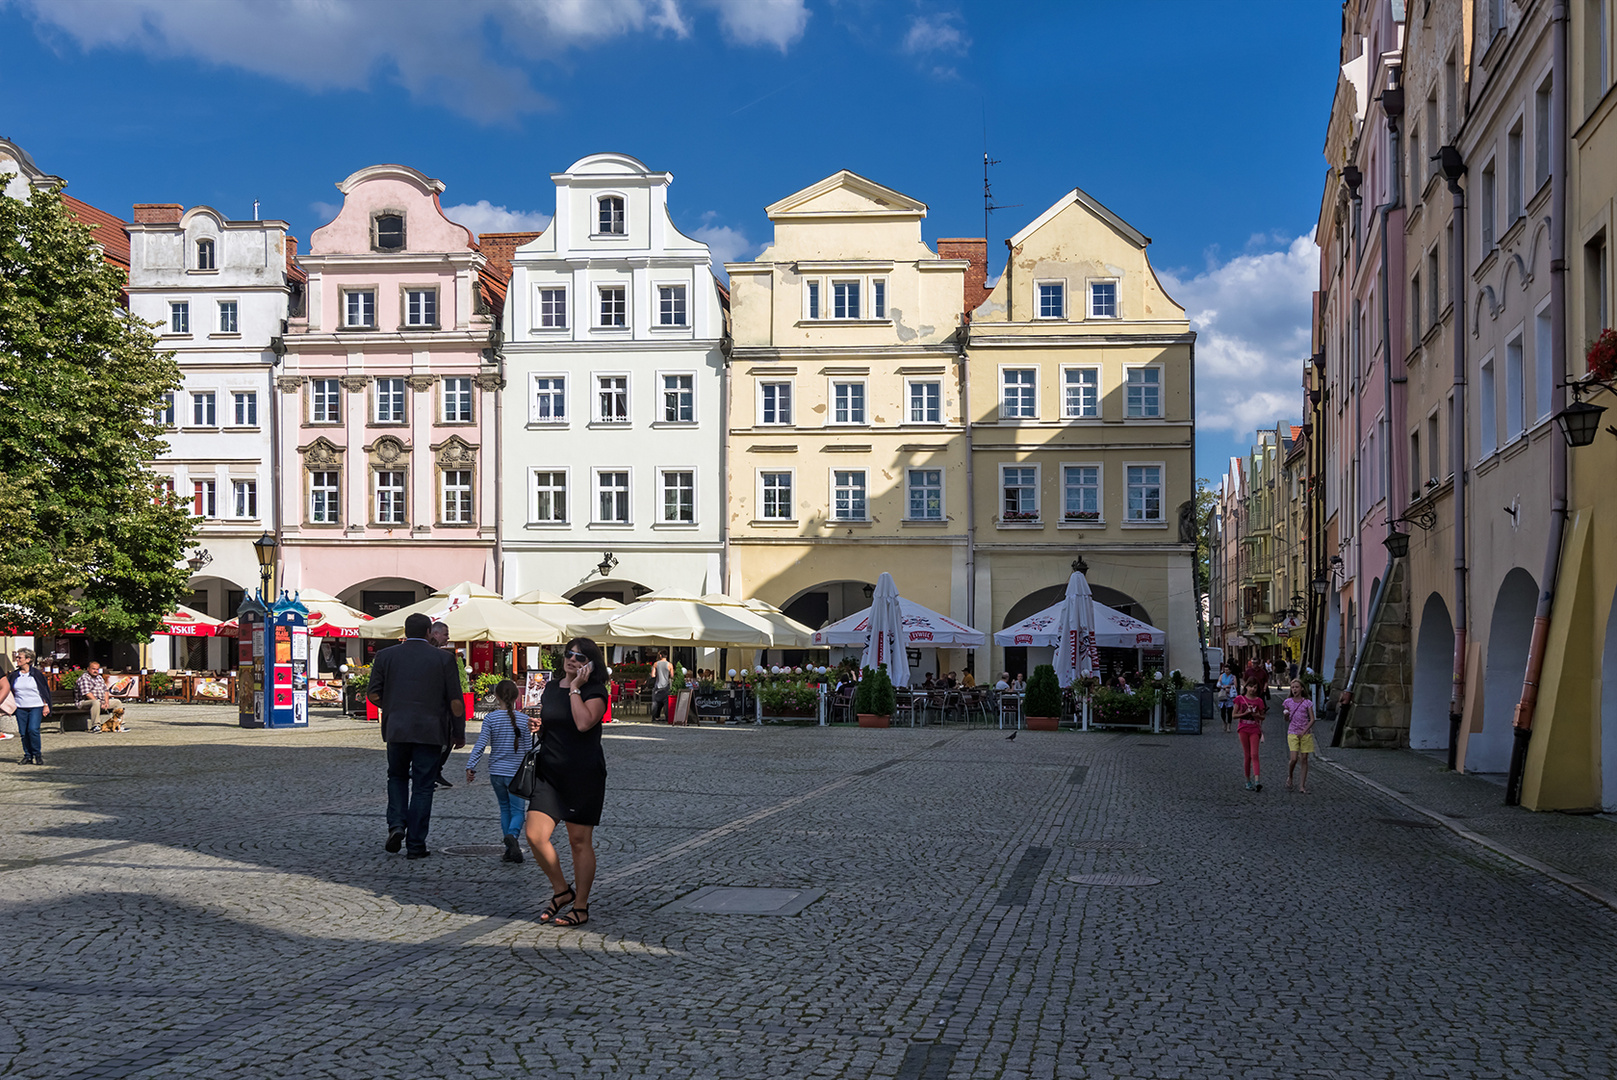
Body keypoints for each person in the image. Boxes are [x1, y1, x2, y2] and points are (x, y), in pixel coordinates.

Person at [524, 637, 609, 929]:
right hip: (550, 772)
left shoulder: (595, 690)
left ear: (590, 665)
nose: (572, 660)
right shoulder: (549, 688)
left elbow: (584, 723)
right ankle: (562, 891)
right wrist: (541, 726)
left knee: (579, 842)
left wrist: (575, 688)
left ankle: (581, 906)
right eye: (569, 654)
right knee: (535, 835)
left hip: (582, 775)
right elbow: (556, 722)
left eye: (580, 658)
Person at [369, 613, 464, 859]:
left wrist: (392, 708)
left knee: (397, 777)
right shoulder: (443, 659)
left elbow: (373, 694)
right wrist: (458, 731)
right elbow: (455, 700)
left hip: (397, 730)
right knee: (423, 787)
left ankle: (396, 824)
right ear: (429, 632)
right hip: (430, 731)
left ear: (405, 630)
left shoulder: (385, 656)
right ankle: (416, 844)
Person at [465, 679, 533, 863]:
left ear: (496, 697)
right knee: (518, 811)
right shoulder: (525, 720)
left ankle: (509, 849)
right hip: (516, 774)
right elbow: (528, 749)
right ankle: (512, 837)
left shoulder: (490, 719)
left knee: (504, 809)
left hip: (496, 772)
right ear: (517, 697)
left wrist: (471, 766)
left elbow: (480, 745)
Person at [427, 620, 463, 789]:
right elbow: (454, 694)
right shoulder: (442, 658)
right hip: (437, 712)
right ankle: (431, 772)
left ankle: (435, 771)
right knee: (441, 742)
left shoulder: (441, 655)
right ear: (435, 633)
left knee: (444, 743)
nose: (448, 638)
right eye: (446, 634)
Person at [7, 649, 51, 765]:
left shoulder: (36, 674)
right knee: (23, 732)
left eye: (19, 657)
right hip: (20, 707)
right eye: (17, 657)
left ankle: (37, 754)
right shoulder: (14, 675)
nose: (17, 659)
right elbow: (9, 690)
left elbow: (44, 690)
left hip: (36, 706)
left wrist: (46, 705)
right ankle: (28, 755)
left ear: (28, 659)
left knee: (33, 730)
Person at [1284, 679, 1318, 793]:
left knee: (1304, 759)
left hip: (1305, 733)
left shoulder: (1307, 702)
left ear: (1302, 688)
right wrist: (1286, 715)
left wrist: (1304, 731)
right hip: (1292, 732)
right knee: (1293, 758)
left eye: (1297, 687)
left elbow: (1312, 719)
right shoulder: (1288, 702)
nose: (1294, 689)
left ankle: (1302, 786)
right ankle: (1290, 776)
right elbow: (1286, 719)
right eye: (1293, 687)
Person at [1234, 679, 1265, 792]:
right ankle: (1248, 781)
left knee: (1254, 754)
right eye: (1251, 686)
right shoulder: (1239, 699)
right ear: (1246, 686)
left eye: (1255, 687)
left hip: (1254, 729)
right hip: (1243, 729)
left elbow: (1263, 716)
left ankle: (1257, 781)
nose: (1253, 689)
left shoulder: (1259, 701)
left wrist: (1256, 715)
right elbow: (1234, 715)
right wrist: (1245, 714)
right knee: (1247, 756)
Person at [77, 661, 127, 732]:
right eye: (93, 669)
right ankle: (96, 726)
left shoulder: (99, 678)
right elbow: (87, 694)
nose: (95, 671)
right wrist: (100, 703)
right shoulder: (84, 678)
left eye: (97, 669)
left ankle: (118, 724)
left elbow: (105, 691)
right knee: (95, 702)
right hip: (84, 702)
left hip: (100, 701)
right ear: (88, 669)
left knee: (117, 702)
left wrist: (106, 702)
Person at [649, 650, 672, 722]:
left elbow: (653, 675)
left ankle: (654, 718)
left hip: (658, 686)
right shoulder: (670, 665)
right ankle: (667, 718)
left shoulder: (656, 664)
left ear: (661, 655)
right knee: (666, 703)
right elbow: (672, 675)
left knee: (655, 703)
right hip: (666, 687)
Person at [1216, 662, 1237, 732]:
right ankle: (1224, 722)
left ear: (1230, 670)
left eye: (1227, 670)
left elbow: (1235, 686)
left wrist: (1229, 687)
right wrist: (1223, 686)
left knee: (1229, 711)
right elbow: (1218, 684)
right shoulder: (1221, 676)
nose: (1226, 671)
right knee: (1222, 712)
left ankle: (1229, 725)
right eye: (1225, 670)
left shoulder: (1233, 677)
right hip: (1223, 695)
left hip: (1230, 695)